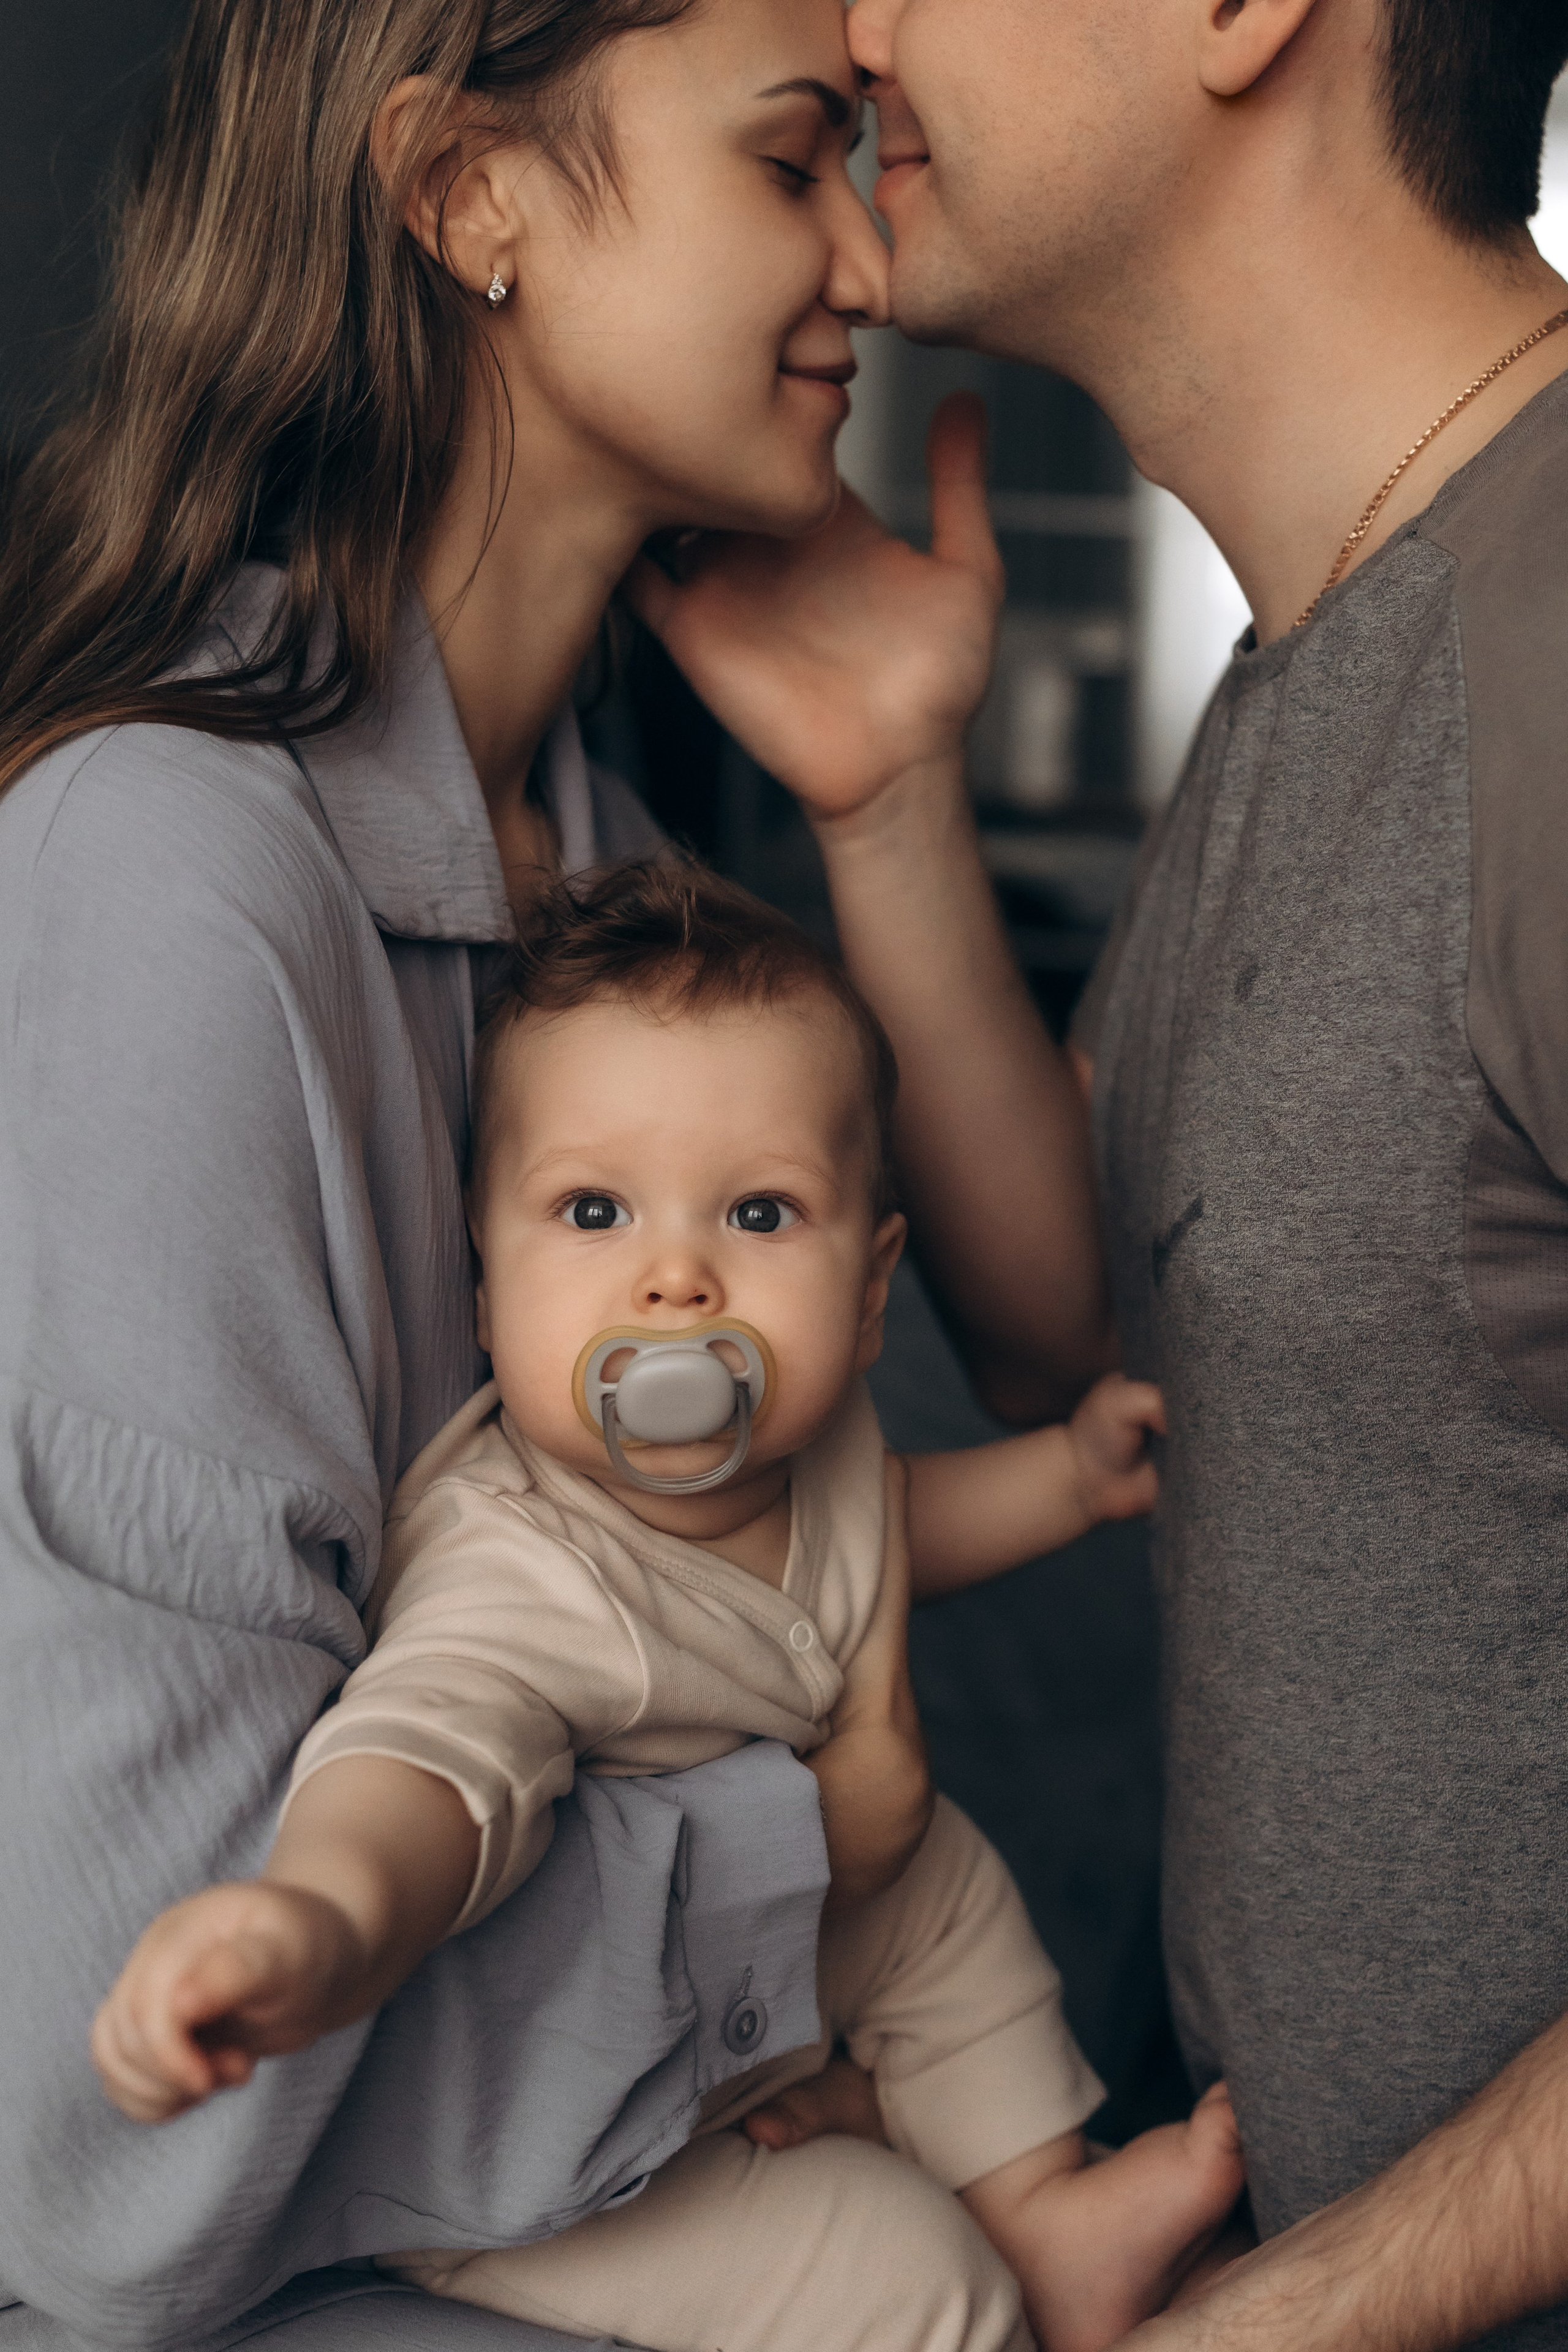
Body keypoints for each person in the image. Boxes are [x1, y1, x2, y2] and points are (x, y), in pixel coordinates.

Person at [623, 2, 1568, 2348]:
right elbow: (1148, 1350)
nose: (854, 27)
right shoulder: (1343, 626)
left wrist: (1321, 2303)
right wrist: (883, 799)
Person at [0, 0, 907, 2344]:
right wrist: (797, 1878)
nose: (876, 268)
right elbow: (113, 2151)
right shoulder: (170, 891)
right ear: (466, 193)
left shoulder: (601, 866)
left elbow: (1087, 1345)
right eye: (798, 158)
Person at [91, 859, 1244, 2352]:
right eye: (593, 1210)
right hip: (552, 2157)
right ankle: (974, 2269)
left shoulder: (814, 1446)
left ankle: (1045, 2209)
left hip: (758, 1971)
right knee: (908, 2274)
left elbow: (886, 1533)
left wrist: (1062, 1483)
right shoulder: (528, 1573)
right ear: (482, 1280)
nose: (677, 1283)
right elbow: (426, 1763)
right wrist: (318, 1914)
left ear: (871, 1284)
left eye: (759, 1212)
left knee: (942, 1895)